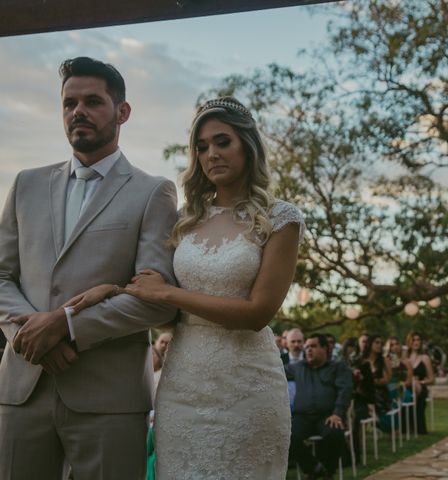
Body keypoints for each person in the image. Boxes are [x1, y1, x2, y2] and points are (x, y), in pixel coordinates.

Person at [65, 96, 305, 479]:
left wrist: (169, 294)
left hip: (248, 387)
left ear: (247, 144)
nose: (212, 154)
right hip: (183, 386)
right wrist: (111, 289)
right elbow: (158, 299)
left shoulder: (280, 218)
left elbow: (259, 313)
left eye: (222, 141)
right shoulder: (185, 220)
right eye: (202, 146)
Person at [0, 57, 178, 480]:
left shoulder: (154, 192)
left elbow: (157, 301)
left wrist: (67, 326)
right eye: (69, 102)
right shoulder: (26, 184)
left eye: (93, 101)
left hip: (109, 397)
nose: (77, 111)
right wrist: (31, 334)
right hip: (22, 388)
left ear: (122, 111)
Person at [286, 334, 353, 480]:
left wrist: (338, 413)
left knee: (334, 433)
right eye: (307, 347)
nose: (309, 350)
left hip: (328, 415)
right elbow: (275, 374)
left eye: (313, 346)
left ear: (325, 348)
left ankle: (328, 471)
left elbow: (345, 391)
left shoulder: (337, 367)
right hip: (302, 417)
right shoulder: (298, 367)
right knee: (285, 434)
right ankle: (314, 468)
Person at [405, 331, 435, 434]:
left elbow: (432, 380)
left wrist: (420, 381)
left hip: (421, 388)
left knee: (415, 385)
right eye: (414, 340)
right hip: (407, 387)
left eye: (418, 340)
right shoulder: (405, 358)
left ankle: (417, 426)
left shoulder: (425, 358)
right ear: (409, 342)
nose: (416, 342)